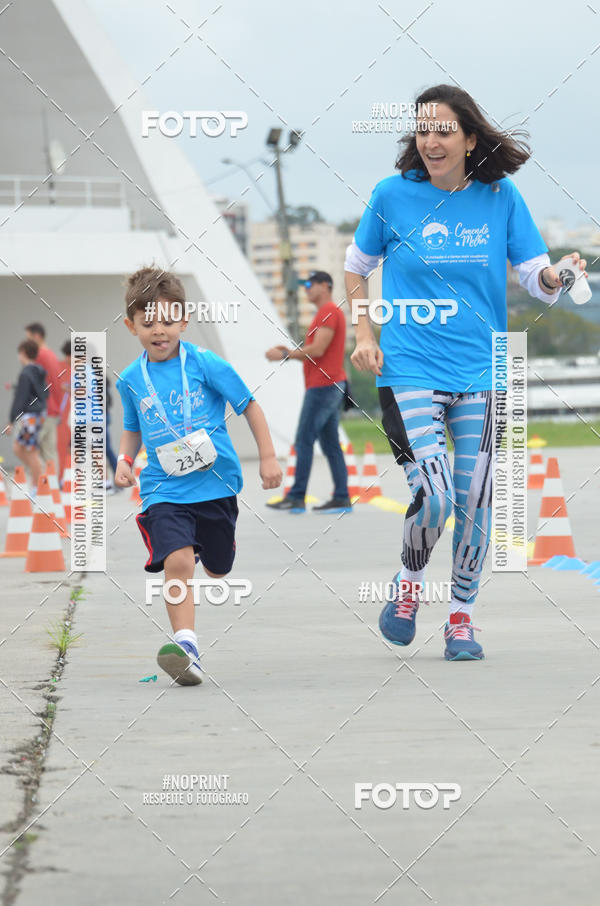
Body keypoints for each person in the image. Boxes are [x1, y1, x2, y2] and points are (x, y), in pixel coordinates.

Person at [344, 84, 587, 661]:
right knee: (431, 496)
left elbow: (533, 275)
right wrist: (362, 334)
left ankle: (460, 616)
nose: (431, 139)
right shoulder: (391, 195)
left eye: (443, 130)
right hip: (408, 368)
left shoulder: (500, 197)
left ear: (469, 138)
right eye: (423, 130)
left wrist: (556, 278)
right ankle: (407, 586)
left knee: (474, 498)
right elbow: (356, 269)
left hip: (483, 370)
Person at [114, 267, 282, 685]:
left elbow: (250, 406)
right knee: (178, 562)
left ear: (184, 321)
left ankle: (217, 547)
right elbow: (133, 428)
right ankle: (186, 647)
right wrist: (124, 459)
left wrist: (267, 458)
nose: (159, 330)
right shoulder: (132, 379)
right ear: (130, 325)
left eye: (168, 321)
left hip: (216, 485)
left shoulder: (207, 364)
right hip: (163, 488)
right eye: (147, 322)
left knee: (219, 569)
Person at [265, 270, 351, 514]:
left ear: (326, 286)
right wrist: (292, 352)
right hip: (329, 385)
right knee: (331, 444)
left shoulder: (328, 312)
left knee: (304, 440)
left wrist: (285, 354)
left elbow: (318, 349)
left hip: (324, 387)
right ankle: (342, 496)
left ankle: (297, 496)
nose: (306, 288)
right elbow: (315, 349)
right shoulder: (325, 313)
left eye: (311, 284)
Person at [5, 339, 48, 492]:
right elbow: (42, 392)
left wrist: (11, 420)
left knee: (30, 451)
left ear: (23, 352)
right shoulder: (39, 371)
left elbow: (21, 398)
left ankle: (37, 485)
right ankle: (38, 475)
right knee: (20, 448)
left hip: (30, 416)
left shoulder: (25, 373)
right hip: (38, 413)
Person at [24, 323, 63, 468]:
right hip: (52, 410)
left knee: (29, 448)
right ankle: (52, 488)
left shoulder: (39, 356)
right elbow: (56, 383)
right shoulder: (51, 354)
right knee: (49, 452)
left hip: (42, 410)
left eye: (28, 338)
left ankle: (39, 486)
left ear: (37, 336)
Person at [57, 339, 71, 485]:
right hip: (61, 418)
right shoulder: (58, 368)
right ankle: (61, 478)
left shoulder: (83, 370)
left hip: (78, 418)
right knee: (61, 448)